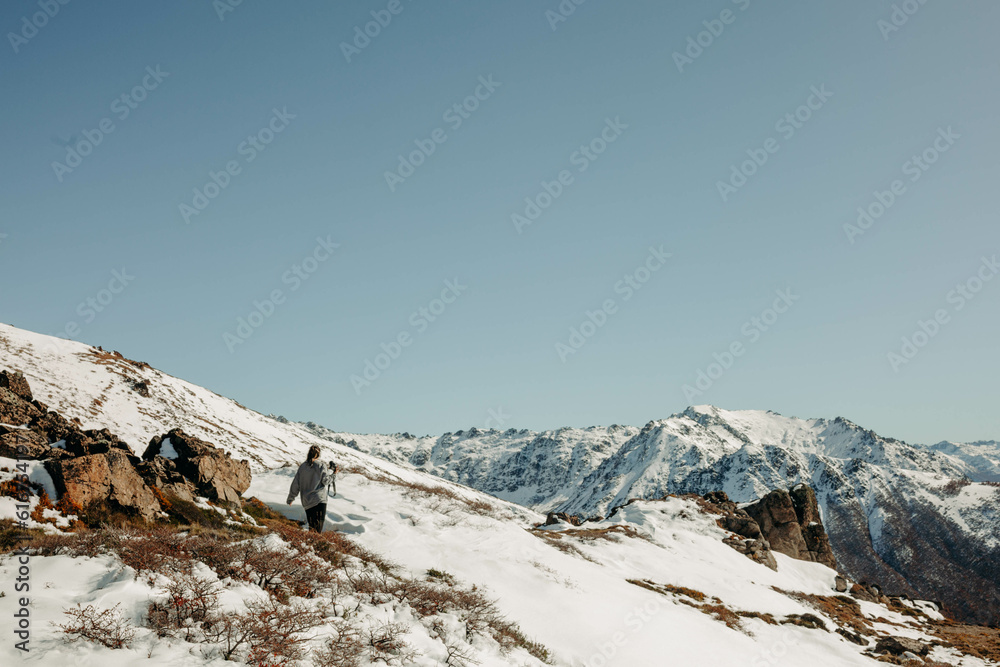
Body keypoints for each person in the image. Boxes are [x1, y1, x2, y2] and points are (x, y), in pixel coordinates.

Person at [286, 445, 337, 532]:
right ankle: (314, 545)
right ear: (318, 454)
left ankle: (309, 545)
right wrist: (334, 474)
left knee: (312, 528)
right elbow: (326, 481)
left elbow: (296, 483)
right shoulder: (321, 465)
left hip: (307, 502)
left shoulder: (302, 467)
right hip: (319, 500)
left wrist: (291, 498)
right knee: (317, 530)